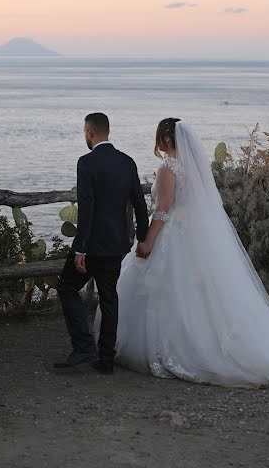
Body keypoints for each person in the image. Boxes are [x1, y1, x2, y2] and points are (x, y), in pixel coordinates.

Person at [99, 117, 269, 390]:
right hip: (192, 232)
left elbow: (163, 209)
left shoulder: (168, 168)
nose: (156, 141)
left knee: (169, 292)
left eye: (158, 135)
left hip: (173, 234)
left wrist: (147, 241)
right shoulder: (190, 168)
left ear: (166, 139)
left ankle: (177, 348)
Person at [55, 112, 149, 374]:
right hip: (117, 244)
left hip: (91, 244)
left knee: (66, 287)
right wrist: (142, 238)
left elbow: (87, 207)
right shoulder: (127, 162)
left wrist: (80, 247)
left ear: (89, 132)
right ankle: (106, 359)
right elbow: (139, 203)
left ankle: (84, 347)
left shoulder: (86, 163)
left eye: (84, 132)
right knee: (109, 296)